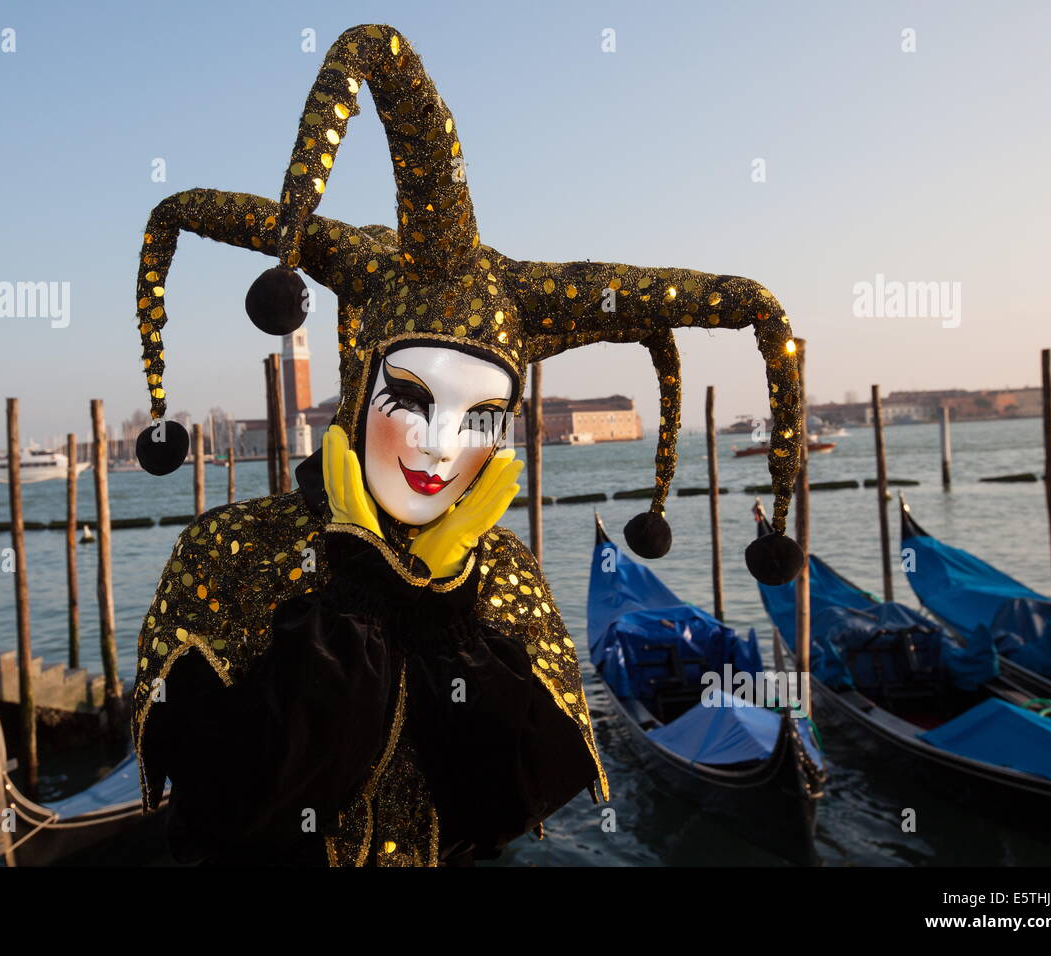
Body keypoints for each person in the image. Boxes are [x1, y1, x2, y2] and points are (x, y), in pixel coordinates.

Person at [128, 23, 805, 867]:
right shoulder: (230, 551)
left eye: (482, 415)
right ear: (360, 381)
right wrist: (360, 592)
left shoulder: (499, 575)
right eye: (410, 399)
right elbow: (234, 798)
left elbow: (512, 799)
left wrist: (445, 607)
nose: (441, 446)